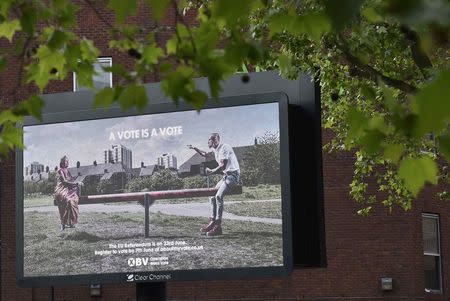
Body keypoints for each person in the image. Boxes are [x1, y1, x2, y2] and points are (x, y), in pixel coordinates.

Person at [188, 133, 240, 236]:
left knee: (219, 196)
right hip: (226, 177)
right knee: (212, 197)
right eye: (211, 141)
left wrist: (212, 171)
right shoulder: (215, 149)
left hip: (233, 176)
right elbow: (205, 154)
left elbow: (223, 165)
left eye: (214, 140)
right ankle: (212, 222)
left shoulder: (224, 148)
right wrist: (195, 148)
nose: (212, 142)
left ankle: (218, 226)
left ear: (217, 140)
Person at [54, 155, 81, 231]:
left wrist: (77, 183)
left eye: (68, 161)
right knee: (67, 201)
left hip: (68, 189)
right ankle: (63, 223)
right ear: (62, 163)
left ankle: (72, 222)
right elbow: (65, 181)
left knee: (72, 201)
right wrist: (76, 184)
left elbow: (71, 180)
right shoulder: (60, 170)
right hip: (62, 189)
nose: (67, 162)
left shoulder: (68, 171)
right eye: (66, 161)